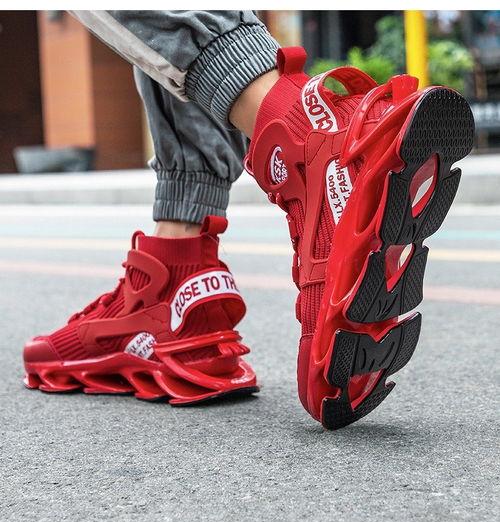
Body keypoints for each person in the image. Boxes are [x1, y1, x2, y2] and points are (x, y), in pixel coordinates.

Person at [23, 11, 475, 429]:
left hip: (314, 143)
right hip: (192, 213)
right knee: (159, 60)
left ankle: (308, 134)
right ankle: (177, 266)